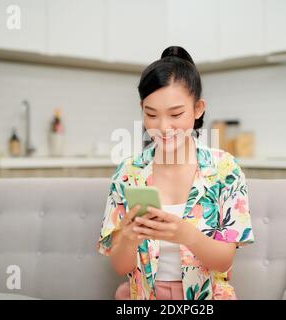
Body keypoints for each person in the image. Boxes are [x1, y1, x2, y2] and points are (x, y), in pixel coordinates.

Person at [97, 45, 254, 300]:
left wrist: (186, 235)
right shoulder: (128, 172)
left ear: (198, 108)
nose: (163, 127)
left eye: (176, 114)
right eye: (151, 114)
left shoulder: (225, 170)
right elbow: (120, 267)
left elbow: (223, 261)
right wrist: (127, 237)